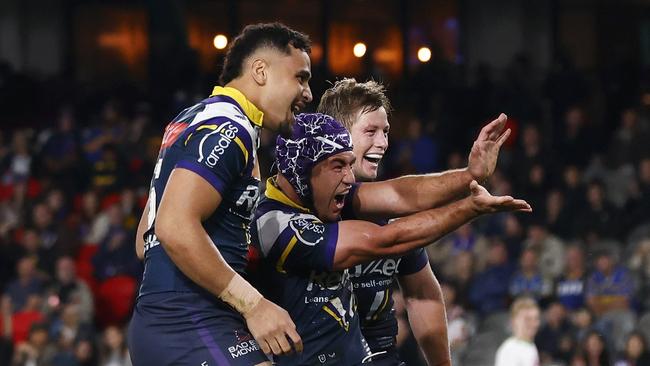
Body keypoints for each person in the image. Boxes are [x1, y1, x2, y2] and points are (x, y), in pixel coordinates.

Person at [250, 113, 531, 364]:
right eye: (338, 166)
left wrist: (470, 175)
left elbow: (402, 194)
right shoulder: (275, 224)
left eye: (349, 164)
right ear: (301, 170)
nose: (349, 178)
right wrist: (471, 207)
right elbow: (385, 240)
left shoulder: (320, 195)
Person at [128, 22, 313, 365]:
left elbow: (145, 240)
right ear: (261, 70)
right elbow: (171, 227)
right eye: (300, 78)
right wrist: (254, 304)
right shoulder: (230, 128)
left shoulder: (189, 120)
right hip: (188, 319)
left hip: (171, 321)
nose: (307, 93)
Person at [317, 78, 512, 365]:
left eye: (385, 132)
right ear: (337, 134)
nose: (383, 143)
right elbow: (401, 194)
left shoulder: (390, 212)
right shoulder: (308, 204)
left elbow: (422, 294)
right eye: (370, 131)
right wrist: (470, 177)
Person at [494, 297, 541, 366]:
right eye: (527, 319)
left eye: (536, 318)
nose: (533, 324)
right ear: (514, 321)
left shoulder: (530, 345)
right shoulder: (510, 349)